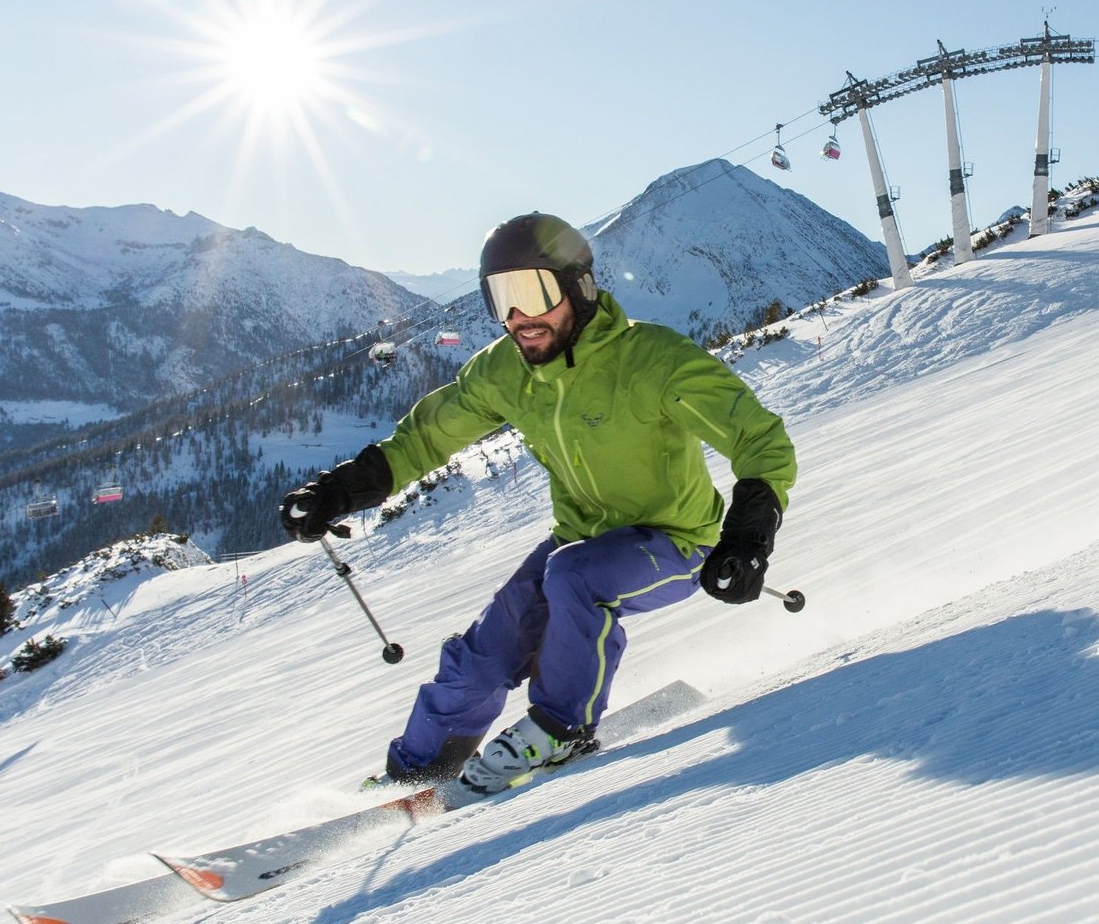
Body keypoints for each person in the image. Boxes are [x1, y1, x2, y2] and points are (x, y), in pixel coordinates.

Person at [280, 213, 796, 793]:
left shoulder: (653, 359)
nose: (519, 318)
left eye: (533, 292)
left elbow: (760, 440)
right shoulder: (506, 371)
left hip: (678, 544)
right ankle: (417, 773)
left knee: (576, 576)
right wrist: (339, 491)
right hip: (576, 543)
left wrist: (748, 537)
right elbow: (428, 437)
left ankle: (561, 729)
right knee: (483, 655)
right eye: (502, 298)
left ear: (577, 287)